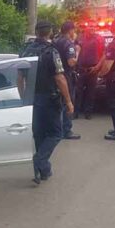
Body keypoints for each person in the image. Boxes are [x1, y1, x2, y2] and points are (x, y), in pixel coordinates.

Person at [21, 21, 74, 185]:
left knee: (39, 134)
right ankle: (39, 161)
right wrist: (69, 101)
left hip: (32, 99)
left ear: (36, 32)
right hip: (49, 99)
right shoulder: (52, 52)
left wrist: (24, 98)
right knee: (55, 133)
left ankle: (42, 171)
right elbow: (60, 78)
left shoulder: (25, 51)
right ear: (50, 32)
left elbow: (20, 78)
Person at [54, 21, 81, 139]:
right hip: (66, 77)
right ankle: (67, 130)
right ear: (70, 31)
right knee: (68, 102)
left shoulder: (55, 41)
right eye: (73, 30)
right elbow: (71, 62)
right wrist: (78, 52)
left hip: (55, 76)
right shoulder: (68, 44)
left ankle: (57, 129)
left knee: (58, 104)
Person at [75, 26, 105, 119]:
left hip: (93, 69)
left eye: (93, 28)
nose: (92, 29)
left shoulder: (99, 39)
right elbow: (76, 51)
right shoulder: (80, 38)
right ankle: (75, 112)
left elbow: (104, 54)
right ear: (85, 29)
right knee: (77, 92)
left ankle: (88, 112)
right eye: (90, 28)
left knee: (91, 93)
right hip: (81, 69)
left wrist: (97, 67)